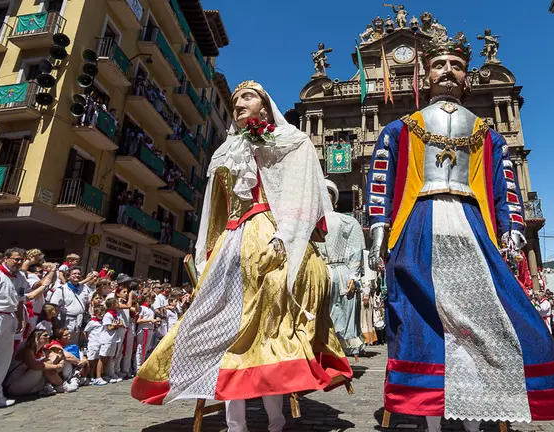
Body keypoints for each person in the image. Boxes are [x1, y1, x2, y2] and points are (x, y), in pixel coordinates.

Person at [365, 33, 554, 429]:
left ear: (467, 78)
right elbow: (381, 181)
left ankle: (479, 412)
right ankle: (430, 415)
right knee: (418, 317)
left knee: (486, 314)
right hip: (419, 225)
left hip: (470, 226)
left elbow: (505, 185)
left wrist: (512, 227)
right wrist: (379, 231)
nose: (447, 72)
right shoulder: (398, 130)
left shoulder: (488, 134)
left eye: (455, 66)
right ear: (425, 76)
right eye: (439, 65)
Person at [132, 80, 353, 432]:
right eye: (234, 100)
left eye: (246, 97)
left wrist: (285, 238)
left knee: (271, 331)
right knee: (228, 334)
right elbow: (214, 211)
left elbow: (303, 194)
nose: (238, 104)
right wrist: (207, 254)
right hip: (232, 246)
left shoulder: (292, 142)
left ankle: (276, 420)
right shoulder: (224, 153)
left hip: (272, 238)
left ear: (265, 105)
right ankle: (236, 424)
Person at [315, 180, 366, 358]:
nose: (325, 195)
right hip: (320, 272)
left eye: (328, 192)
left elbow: (355, 249)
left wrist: (355, 275)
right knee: (323, 314)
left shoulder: (348, 222)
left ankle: (342, 354)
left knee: (343, 312)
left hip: (342, 272)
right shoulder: (311, 223)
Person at [0, 248, 28, 407]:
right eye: (16, 259)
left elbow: (21, 299)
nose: (19, 262)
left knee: (3, 358)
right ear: (6, 259)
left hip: (10, 317)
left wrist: (21, 318)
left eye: (21, 259)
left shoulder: (20, 276)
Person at [3, 329, 68, 397]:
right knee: (42, 367)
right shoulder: (27, 350)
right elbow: (35, 365)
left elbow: (58, 355)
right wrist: (57, 366)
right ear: (36, 338)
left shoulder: (43, 351)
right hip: (13, 387)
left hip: (29, 384)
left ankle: (56, 385)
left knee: (47, 365)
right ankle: (61, 385)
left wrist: (60, 363)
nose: (48, 337)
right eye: (45, 335)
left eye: (48, 335)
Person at [47, 266, 91, 345]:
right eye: (74, 274)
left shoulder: (85, 288)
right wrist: (55, 324)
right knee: (64, 343)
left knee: (74, 344)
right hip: (65, 321)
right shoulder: (61, 289)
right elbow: (53, 306)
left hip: (79, 321)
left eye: (79, 274)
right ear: (68, 276)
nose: (77, 275)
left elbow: (88, 302)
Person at [84, 305, 107, 386]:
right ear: (95, 313)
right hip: (93, 343)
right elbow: (85, 331)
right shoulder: (92, 322)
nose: (101, 315)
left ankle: (97, 376)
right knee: (91, 361)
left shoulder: (104, 321)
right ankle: (90, 376)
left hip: (101, 342)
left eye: (103, 313)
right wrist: (88, 340)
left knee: (98, 359)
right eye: (99, 314)